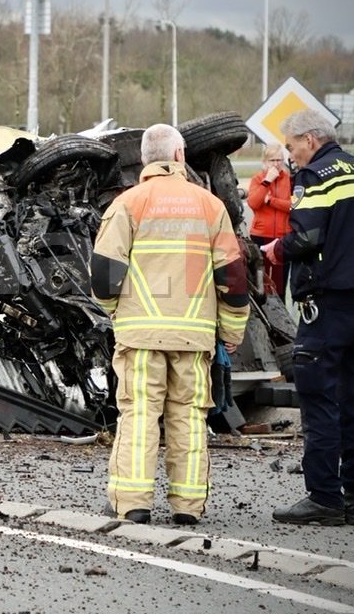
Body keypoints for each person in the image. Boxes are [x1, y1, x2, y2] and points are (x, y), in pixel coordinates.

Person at [90, 124, 250, 526]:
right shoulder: (210, 207)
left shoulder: (128, 205)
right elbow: (232, 279)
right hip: (193, 337)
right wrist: (230, 332)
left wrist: (116, 311)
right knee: (188, 418)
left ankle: (133, 503)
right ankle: (188, 507)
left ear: (145, 159)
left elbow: (104, 275)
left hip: (141, 336)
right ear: (179, 157)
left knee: (139, 416)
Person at [264, 111, 354, 527]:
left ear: (310, 139)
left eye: (291, 146)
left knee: (318, 398)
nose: (290, 156)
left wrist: (275, 251)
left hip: (328, 305)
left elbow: (305, 237)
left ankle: (323, 497)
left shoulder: (316, 175)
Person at [246, 142, 293, 297]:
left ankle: (281, 317)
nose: (276, 164)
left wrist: (271, 201)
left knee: (280, 285)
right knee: (260, 281)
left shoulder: (290, 180)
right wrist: (267, 181)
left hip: (282, 236)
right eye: (272, 160)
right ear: (265, 162)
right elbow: (253, 202)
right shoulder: (257, 179)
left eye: (279, 160)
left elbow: (293, 206)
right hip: (261, 235)